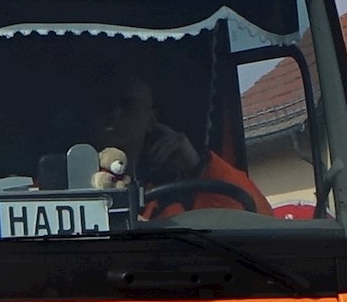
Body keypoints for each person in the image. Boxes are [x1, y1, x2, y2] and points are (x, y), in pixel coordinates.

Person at [87, 63, 264, 218]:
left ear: (151, 120)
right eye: (106, 104)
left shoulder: (175, 194)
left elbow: (258, 218)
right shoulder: (66, 179)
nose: (114, 113)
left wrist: (201, 168)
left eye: (126, 104)